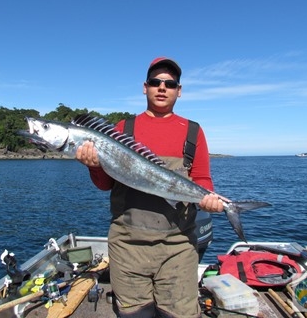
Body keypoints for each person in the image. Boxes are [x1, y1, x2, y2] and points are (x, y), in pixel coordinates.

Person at [76, 57, 225, 318]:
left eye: (170, 83)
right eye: (156, 82)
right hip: (128, 245)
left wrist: (208, 198)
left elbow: (202, 179)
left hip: (179, 246)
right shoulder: (124, 129)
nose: (162, 87)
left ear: (179, 90)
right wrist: (94, 166)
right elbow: (105, 185)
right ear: (145, 87)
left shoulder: (193, 131)